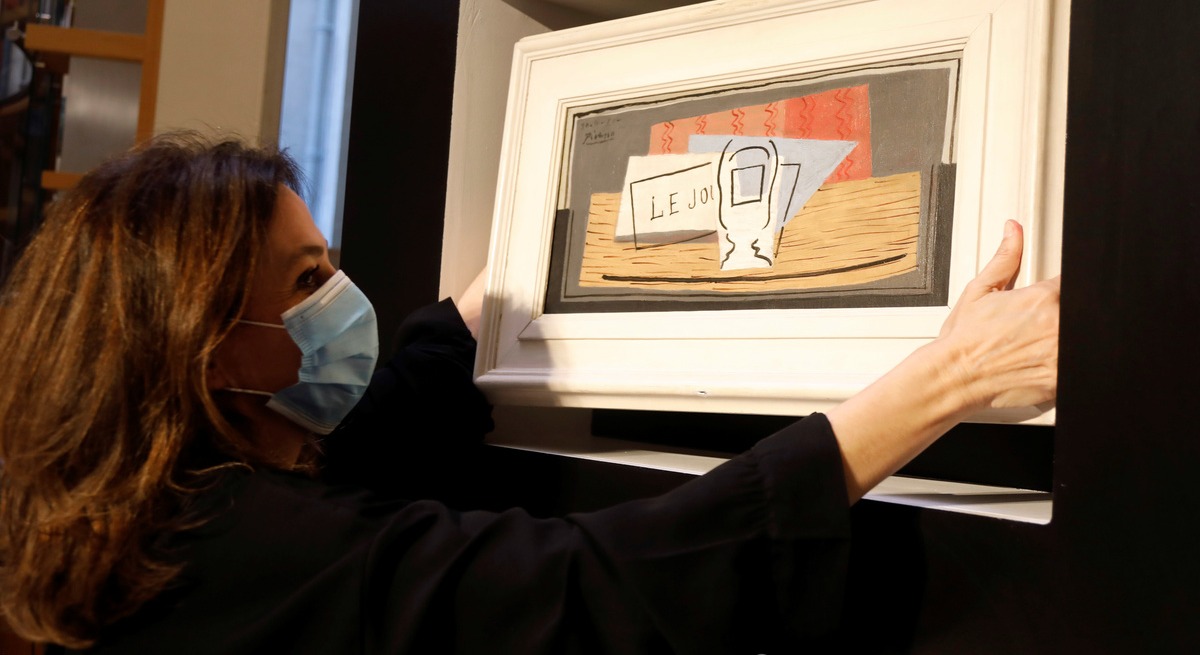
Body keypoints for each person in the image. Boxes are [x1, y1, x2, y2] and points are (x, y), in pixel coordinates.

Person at [0, 135, 1059, 653]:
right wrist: (950, 375)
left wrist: (489, 301)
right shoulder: (243, 545)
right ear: (212, 353)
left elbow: (377, 432)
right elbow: (588, 585)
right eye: (308, 279)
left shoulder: (148, 508)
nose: (341, 301)